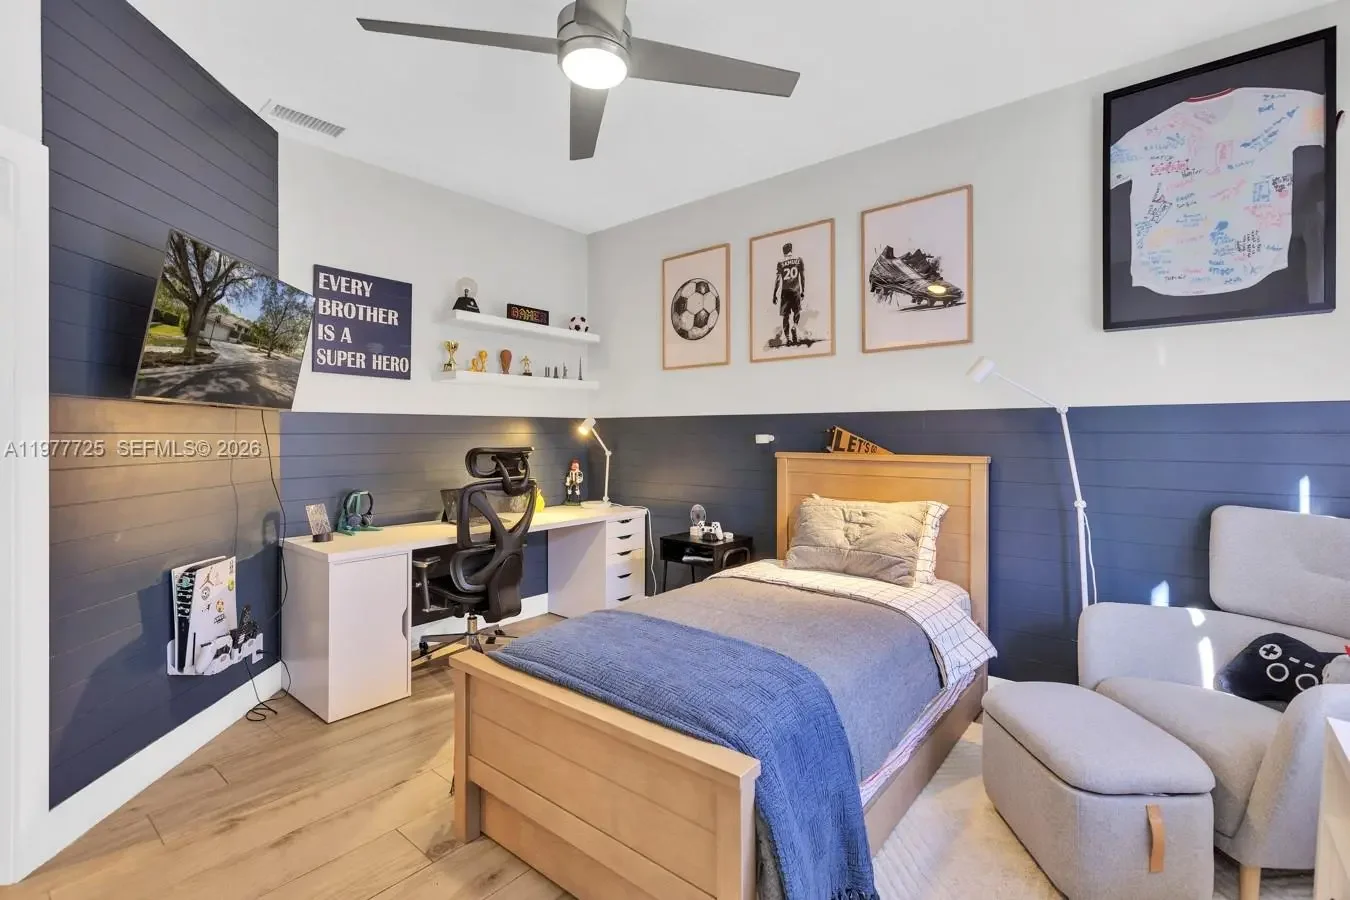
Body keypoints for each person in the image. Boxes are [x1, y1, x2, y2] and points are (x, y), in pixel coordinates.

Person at [772, 241, 805, 346]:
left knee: (785, 316)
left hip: (785, 292)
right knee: (797, 311)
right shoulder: (799, 260)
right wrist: (803, 290)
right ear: (791, 250)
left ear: (784, 251)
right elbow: (802, 276)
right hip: (796, 290)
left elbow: (778, 280)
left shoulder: (780, 262)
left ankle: (788, 338)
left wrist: (774, 294)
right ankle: (794, 326)